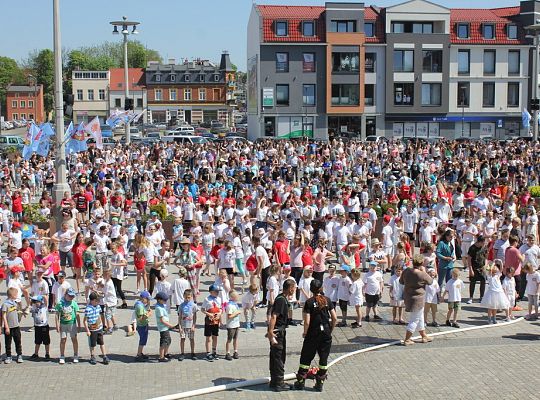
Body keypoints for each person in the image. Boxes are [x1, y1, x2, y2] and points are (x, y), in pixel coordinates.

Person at [293, 279, 337, 392]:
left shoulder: (309, 302)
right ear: (321, 288)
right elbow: (335, 318)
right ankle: (320, 383)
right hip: (326, 334)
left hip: (313, 333)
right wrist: (330, 330)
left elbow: (307, 321)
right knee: (323, 359)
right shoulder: (327, 300)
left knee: (305, 358)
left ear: (311, 289)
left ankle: (301, 382)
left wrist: (305, 332)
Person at [268, 278, 296, 392]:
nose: (294, 290)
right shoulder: (281, 300)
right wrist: (270, 332)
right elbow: (274, 316)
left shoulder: (283, 298)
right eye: (293, 288)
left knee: (276, 356)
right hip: (277, 332)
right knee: (279, 357)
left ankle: (274, 381)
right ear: (290, 288)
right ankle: (279, 383)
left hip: (279, 331)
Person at [400, 255, 433, 345]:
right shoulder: (421, 274)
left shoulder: (406, 271)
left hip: (408, 297)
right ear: (421, 263)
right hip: (417, 300)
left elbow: (401, 281)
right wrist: (424, 271)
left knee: (420, 317)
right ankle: (407, 339)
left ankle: (424, 336)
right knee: (414, 320)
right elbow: (430, 281)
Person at [55, 288, 80, 364]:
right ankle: (62, 356)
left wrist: (79, 325)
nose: (71, 297)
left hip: (72, 323)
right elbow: (57, 315)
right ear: (65, 295)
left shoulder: (74, 303)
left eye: (72, 296)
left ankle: (75, 355)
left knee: (74, 339)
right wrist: (57, 325)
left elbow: (77, 314)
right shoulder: (60, 304)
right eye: (69, 296)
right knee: (63, 340)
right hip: (63, 324)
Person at [83, 292, 110, 365]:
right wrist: (87, 330)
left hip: (99, 328)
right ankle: (92, 356)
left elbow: (99, 316)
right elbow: (84, 321)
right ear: (93, 300)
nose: (99, 302)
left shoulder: (98, 307)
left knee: (102, 342)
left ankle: (104, 356)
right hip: (92, 330)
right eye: (97, 301)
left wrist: (103, 325)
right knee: (92, 344)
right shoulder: (88, 309)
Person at [2, 287, 24, 364]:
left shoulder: (15, 303)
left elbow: (17, 311)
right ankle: (8, 356)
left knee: (18, 341)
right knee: (8, 342)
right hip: (9, 327)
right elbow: (4, 316)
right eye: (16, 294)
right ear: (12, 295)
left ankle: (19, 354)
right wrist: (6, 327)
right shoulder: (5, 304)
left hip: (16, 326)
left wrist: (21, 312)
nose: (17, 295)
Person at [201, 284, 222, 361]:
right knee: (208, 337)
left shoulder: (219, 299)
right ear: (211, 292)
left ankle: (214, 351)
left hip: (216, 321)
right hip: (209, 321)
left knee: (215, 336)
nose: (217, 293)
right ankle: (208, 352)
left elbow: (220, 309)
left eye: (218, 291)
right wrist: (208, 314)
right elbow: (202, 309)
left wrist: (219, 314)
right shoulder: (207, 299)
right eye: (216, 291)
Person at [178, 288, 198, 361]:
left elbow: (195, 316)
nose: (187, 299)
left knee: (191, 339)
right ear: (183, 296)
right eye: (186, 297)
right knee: (182, 339)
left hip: (190, 326)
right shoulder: (181, 306)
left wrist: (193, 326)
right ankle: (182, 353)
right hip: (183, 326)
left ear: (191, 297)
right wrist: (180, 327)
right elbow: (179, 317)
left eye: (189, 297)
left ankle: (192, 353)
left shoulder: (194, 305)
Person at [155, 291, 175, 362]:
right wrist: (171, 326)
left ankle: (165, 353)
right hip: (163, 327)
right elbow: (162, 320)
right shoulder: (158, 308)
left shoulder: (161, 305)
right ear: (159, 300)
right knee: (164, 342)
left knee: (168, 340)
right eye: (164, 300)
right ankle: (161, 357)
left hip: (165, 327)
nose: (166, 301)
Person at [29, 295, 50, 360]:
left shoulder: (44, 307)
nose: (36, 303)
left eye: (37, 302)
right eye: (35, 302)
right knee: (37, 341)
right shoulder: (33, 307)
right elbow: (30, 304)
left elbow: (46, 299)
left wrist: (42, 296)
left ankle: (47, 353)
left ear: (41, 301)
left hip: (44, 326)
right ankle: (36, 353)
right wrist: (32, 301)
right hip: (37, 327)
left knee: (46, 341)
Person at [467, 235, 487, 304]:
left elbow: (485, 257)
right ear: (479, 242)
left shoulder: (484, 247)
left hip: (482, 267)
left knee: (483, 281)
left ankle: (481, 297)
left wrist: (485, 266)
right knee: (473, 282)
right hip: (474, 267)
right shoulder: (472, 248)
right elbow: (469, 259)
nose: (484, 244)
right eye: (483, 242)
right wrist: (470, 269)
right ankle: (471, 297)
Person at [134, 291, 152, 361]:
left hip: (144, 325)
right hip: (142, 326)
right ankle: (139, 355)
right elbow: (140, 319)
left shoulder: (141, 304)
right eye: (148, 299)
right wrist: (148, 314)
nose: (148, 300)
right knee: (142, 340)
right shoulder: (140, 306)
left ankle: (140, 353)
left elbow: (147, 308)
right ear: (143, 298)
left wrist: (148, 304)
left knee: (143, 340)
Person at [225, 290, 241, 360]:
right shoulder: (230, 305)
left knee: (235, 339)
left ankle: (235, 351)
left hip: (236, 324)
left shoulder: (235, 304)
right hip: (231, 325)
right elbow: (229, 316)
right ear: (232, 297)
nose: (238, 298)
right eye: (236, 297)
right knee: (229, 339)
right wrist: (237, 313)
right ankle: (227, 353)